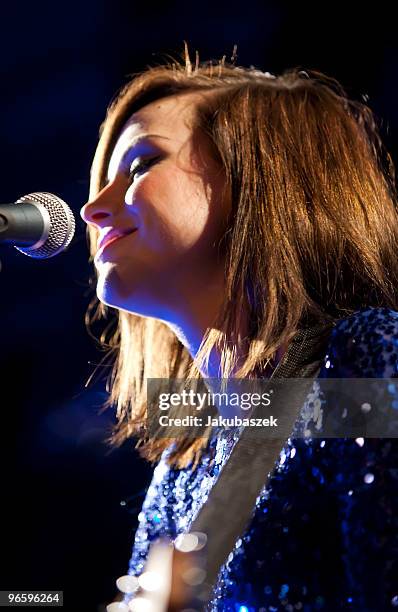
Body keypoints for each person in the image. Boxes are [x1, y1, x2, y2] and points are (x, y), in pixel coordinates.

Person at [80, 49, 398, 611]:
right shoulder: (186, 456)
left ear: (260, 178)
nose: (91, 211)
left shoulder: (365, 357)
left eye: (140, 165)